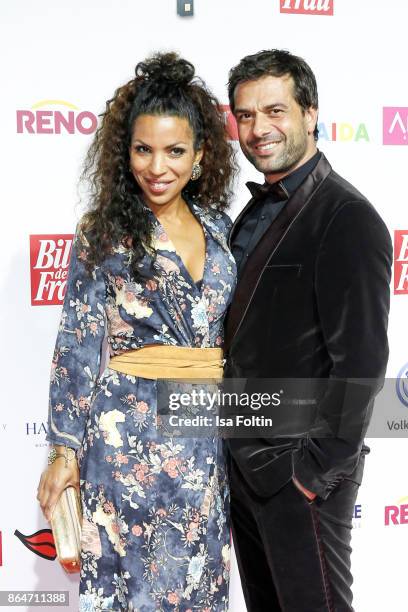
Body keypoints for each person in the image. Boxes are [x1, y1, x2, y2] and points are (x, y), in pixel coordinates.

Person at [37, 52, 236, 611]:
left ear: (199, 156)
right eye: (143, 149)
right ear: (125, 154)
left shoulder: (221, 229)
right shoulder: (103, 232)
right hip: (130, 440)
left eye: (175, 151)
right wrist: (64, 448)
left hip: (205, 438)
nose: (158, 167)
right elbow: (76, 342)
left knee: (201, 582)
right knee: (135, 590)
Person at [224, 49, 392, 611]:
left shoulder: (347, 217)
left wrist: (310, 474)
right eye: (245, 115)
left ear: (311, 113)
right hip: (244, 468)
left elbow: (363, 365)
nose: (258, 128)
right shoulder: (252, 212)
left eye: (275, 110)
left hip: (301, 479)